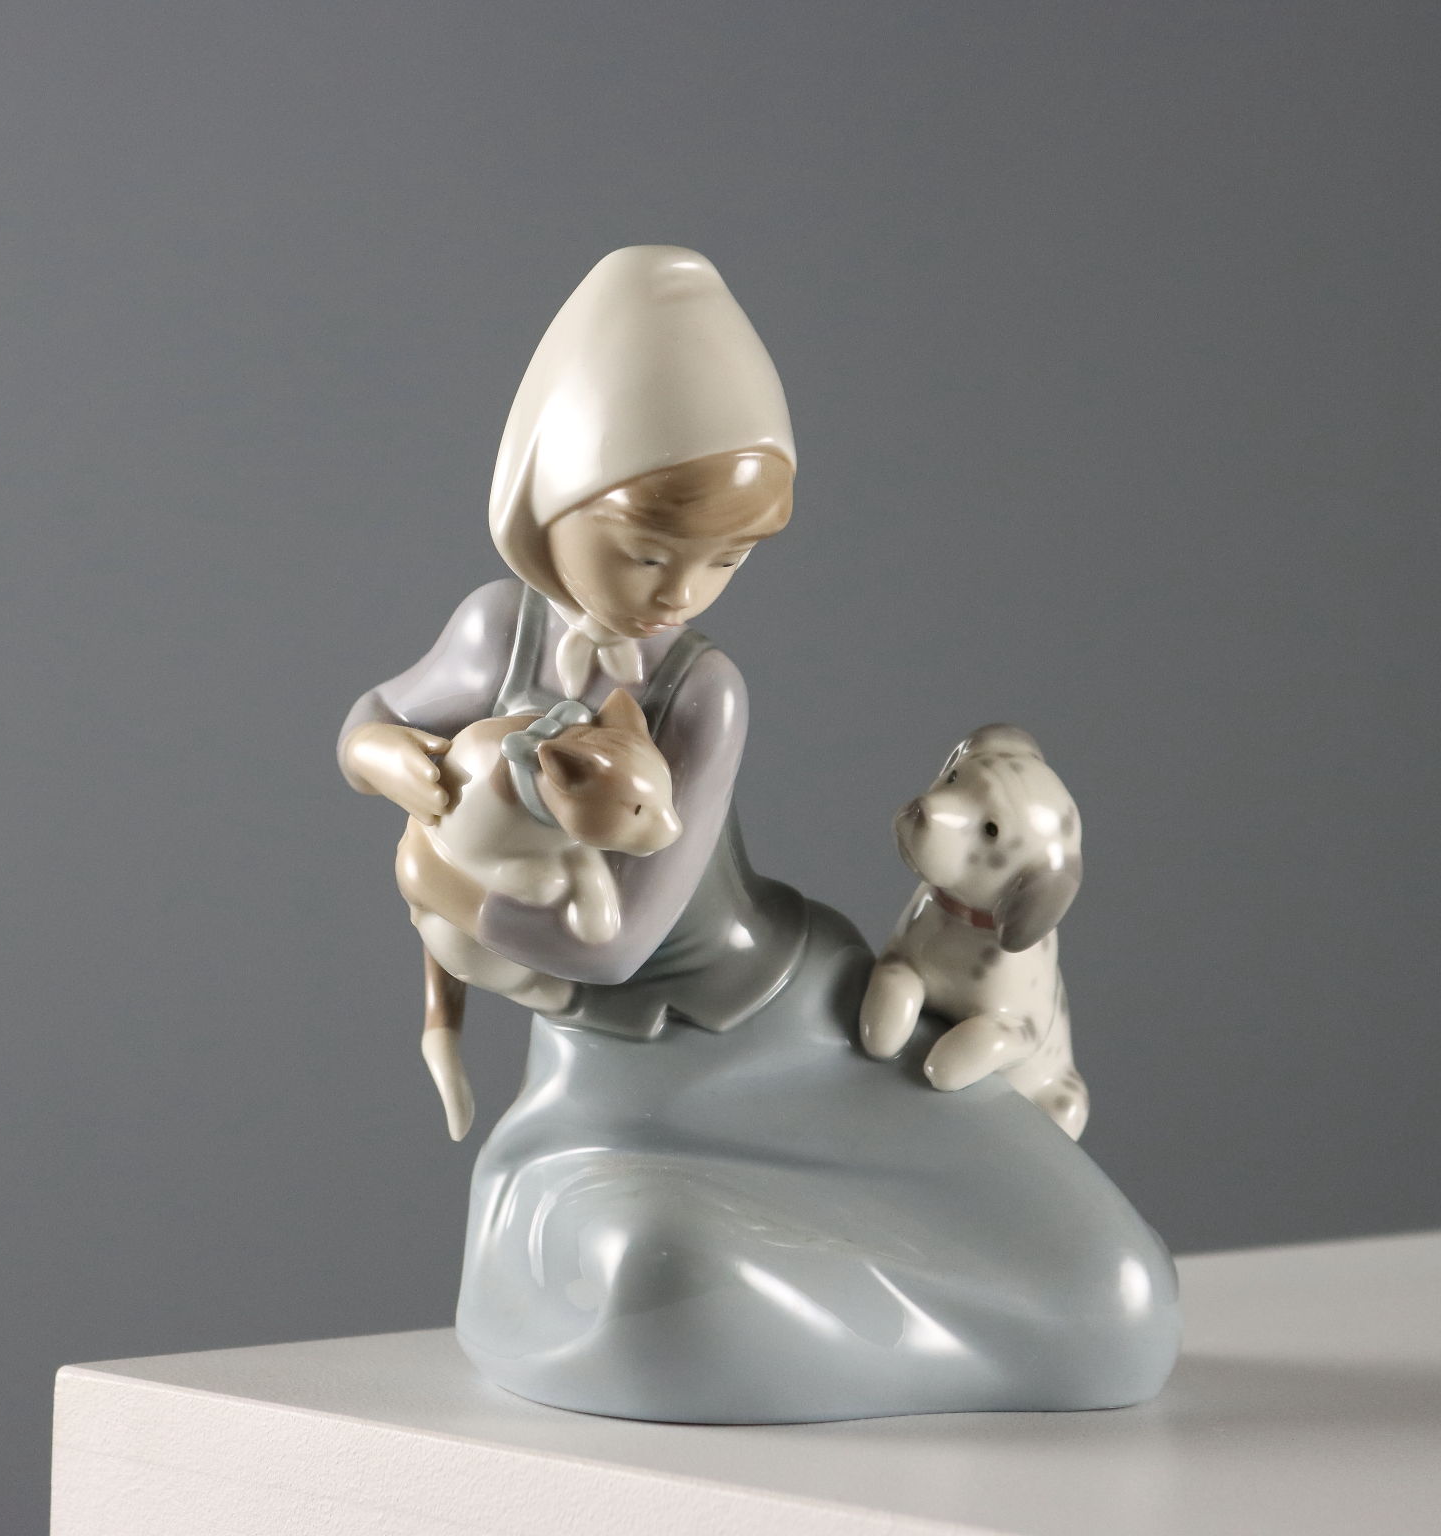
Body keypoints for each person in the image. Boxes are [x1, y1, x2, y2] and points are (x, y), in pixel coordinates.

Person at [340, 247, 1180, 1422]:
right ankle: (810, 1327)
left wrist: (441, 885)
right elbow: (371, 720)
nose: (680, 592)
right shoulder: (496, 633)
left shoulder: (702, 691)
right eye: (648, 551)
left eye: (727, 560)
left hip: (782, 1006)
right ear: (545, 495)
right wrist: (384, 755)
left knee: (1116, 1300)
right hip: (616, 1071)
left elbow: (616, 943)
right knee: (655, 1279)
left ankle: (901, 1337)